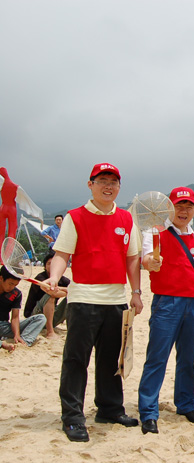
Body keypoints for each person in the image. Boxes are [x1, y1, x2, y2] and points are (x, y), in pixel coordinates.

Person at [44, 163, 143, 442]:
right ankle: (73, 416)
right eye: (102, 180)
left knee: (111, 359)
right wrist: (54, 277)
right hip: (84, 298)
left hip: (116, 300)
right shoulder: (75, 217)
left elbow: (132, 258)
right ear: (90, 184)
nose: (108, 186)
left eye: (113, 181)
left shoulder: (126, 219)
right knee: (76, 360)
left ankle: (110, 409)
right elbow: (62, 254)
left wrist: (136, 293)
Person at [137, 187, 194, 435]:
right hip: (166, 302)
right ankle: (148, 411)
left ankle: (186, 404)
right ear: (169, 207)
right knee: (157, 357)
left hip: (192, 304)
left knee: (187, 359)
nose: (184, 211)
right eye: (179, 206)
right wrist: (152, 263)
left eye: (189, 206)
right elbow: (146, 259)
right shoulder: (155, 232)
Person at [23, 250, 70, 339]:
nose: (51, 266)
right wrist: (66, 291)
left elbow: (75, 289)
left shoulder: (63, 280)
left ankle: (71, 328)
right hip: (35, 316)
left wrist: (60, 289)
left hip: (52, 315)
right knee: (50, 296)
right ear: (45, 266)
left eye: (54, 264)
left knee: (73, 297)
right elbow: (52, 293)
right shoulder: (41, 278)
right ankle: (50, 332)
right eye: (49, 264)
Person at [0, 265, 46, 346]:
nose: (12, 287)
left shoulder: (16, 294)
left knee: (41, 318)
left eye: (15, 285)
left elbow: (15, 317)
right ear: (1, 278)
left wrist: (16, 335)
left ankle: (24, 342)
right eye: (10, 284)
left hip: (4, 326)